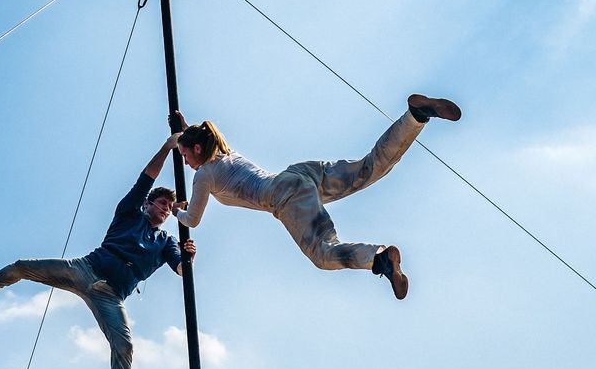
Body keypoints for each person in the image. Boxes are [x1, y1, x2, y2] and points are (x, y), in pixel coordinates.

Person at [0, 134, 195, 369]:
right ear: (148, 204)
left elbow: (182, 271)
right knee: (21, 266)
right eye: (161, 203)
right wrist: (167, 147)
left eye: (169, 208)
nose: (164, 209)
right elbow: (146, 177)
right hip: (85, 269)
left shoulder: (166, 242)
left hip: (110, 296)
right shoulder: (129, 213)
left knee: (125, 344)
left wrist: (189, 257)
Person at [168, 94, 461, 300]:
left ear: (196, 150)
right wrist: (183, 131)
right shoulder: (228, 155)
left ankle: (380, 257)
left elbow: (192, 219)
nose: (184, 162)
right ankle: (415, 116)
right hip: (297, 174)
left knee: (324, 254)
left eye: (184, 155)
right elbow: (199, 142)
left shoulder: (203, 175)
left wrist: (175, 210)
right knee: (367, 168)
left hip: (284, 197)